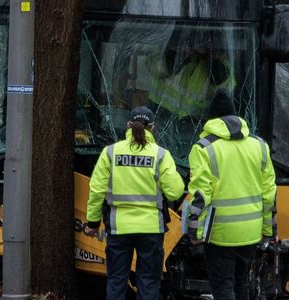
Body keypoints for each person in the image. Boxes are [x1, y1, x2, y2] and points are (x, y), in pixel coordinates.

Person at [85, 106, 185, 300]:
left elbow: (96, 190)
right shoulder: (161, 154)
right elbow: (175, 191)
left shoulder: (110, 152)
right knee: (148, 282)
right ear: (153, 128)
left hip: (118, 228)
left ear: (128, 125)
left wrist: (92, 223)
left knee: (116, 281)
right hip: (150, 229)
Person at [185, 90, 277, 300]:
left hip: (220, 234)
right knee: (241, 283)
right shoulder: (260, 146)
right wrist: (268, 230)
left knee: (223, 287)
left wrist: (195, 233)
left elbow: (201, 194)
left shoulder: (203, 148)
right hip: (250, 233)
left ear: (211, 119)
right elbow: (269, 194)